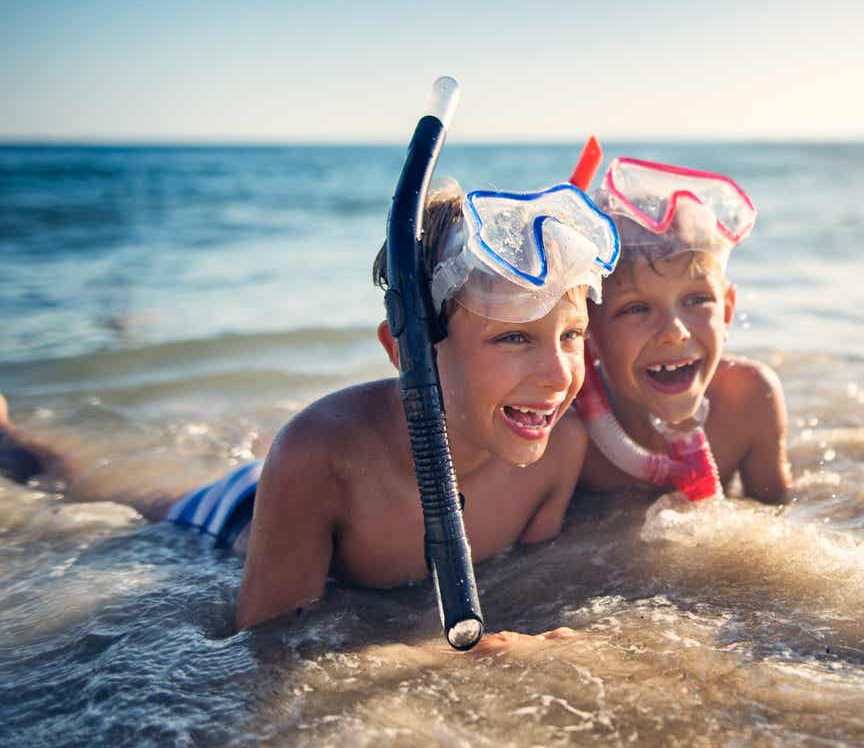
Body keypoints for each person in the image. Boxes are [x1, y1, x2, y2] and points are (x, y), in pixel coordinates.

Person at [0, 176, 620, 635]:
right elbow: (269, 641)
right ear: (409, 353)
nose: (556, 372)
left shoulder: (559, 449)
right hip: (238, 512)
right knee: (97, 491)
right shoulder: (319, 453)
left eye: (569, 335)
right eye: (513, 337)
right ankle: (13, 439)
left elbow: (530, 579)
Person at [575, 154, 791, 504]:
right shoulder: (572, 439)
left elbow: (779, 514)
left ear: (727, 312)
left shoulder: (750, 401)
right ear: (586, 329)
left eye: (696, 300)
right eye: (636, 308)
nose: (674, 331)